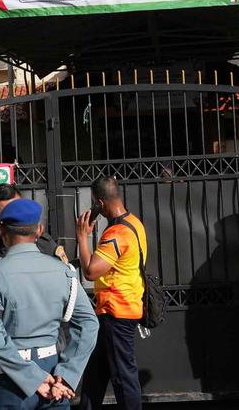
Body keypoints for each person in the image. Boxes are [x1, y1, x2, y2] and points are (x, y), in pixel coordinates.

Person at [0, 198, 99, 409]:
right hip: (54, 373)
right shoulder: (64, 272)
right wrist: (67, 374)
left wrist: (32, 378)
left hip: (8, 375)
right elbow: (89, 323)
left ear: (2, 231)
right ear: (40, 229)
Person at [0, 184, 69, 406]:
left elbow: (65, 305)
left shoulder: (44, 246)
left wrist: (62, 360)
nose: (11, 217)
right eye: (1, 214)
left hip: (46, 356)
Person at [76, 176, 147, 410]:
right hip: (116, 309)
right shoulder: (135, 223)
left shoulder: (116, 233)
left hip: (117, 311)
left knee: (123, 375)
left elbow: (90, 272)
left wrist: (82, 237)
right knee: (96, 374)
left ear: (100, 203)